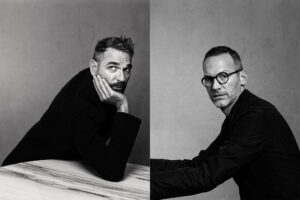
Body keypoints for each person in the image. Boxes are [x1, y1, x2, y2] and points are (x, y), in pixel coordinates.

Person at [151, 46, 300, 199]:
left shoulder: (256, 116)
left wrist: (146, 185)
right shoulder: (240, 115)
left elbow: (206, 176)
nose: (215, 86)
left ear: (242, 78)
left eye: (223, 76)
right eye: (209, 79)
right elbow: (198, 164)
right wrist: (144, 168)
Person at [2, 36, 141, 182]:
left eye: (126, 69)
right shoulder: (82, 103)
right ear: (94, 68)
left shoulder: (103, 87)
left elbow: (108, 156)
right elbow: (113, 172)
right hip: (20, 174)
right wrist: (123, 105)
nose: (121, 78)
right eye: (112, 67)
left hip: (55, 171)